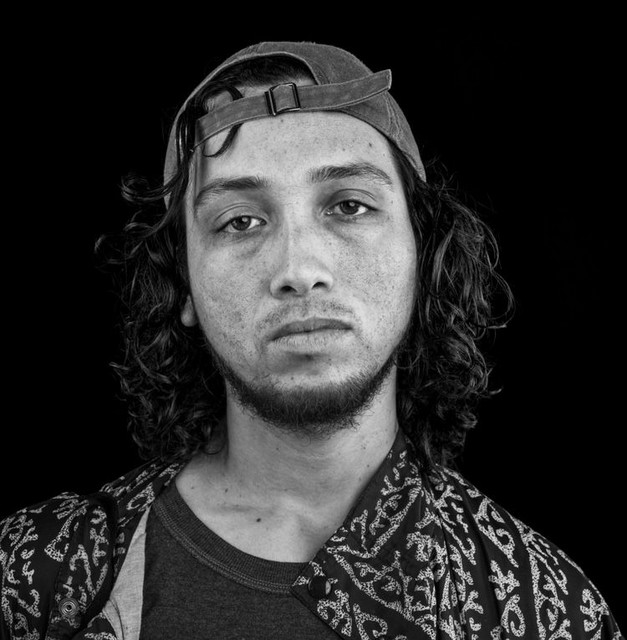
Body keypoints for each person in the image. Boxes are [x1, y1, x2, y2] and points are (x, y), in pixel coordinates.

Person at [0, 41, 622, 640]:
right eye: (240, 221)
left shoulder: (542, 612)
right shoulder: (34, 580)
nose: (299, 269)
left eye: (349, 206)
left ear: (422, 254)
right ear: (183, 282)